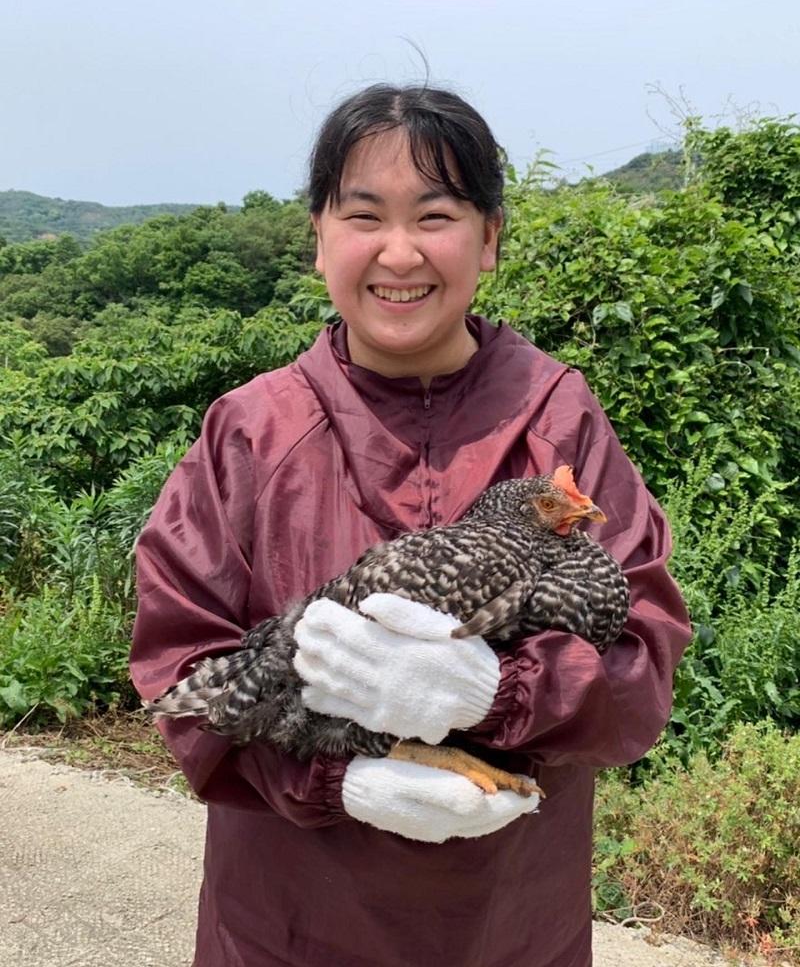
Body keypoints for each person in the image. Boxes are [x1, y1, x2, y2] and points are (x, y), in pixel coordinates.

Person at [130, 83, 691, 967]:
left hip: (512, 920)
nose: (399, 252)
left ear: (489, 238)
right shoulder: (252, 430)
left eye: (435, 216)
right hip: (289, 920)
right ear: (318, 239)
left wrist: (496, 694)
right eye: (364, 216)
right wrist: (336, 779)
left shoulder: (559, 419)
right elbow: (184, 667)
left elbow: (640, 668)